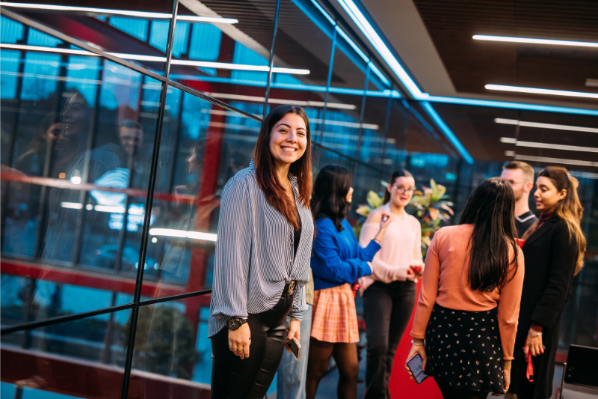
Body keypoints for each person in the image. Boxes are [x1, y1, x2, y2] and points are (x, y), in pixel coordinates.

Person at [209, 105, 314, 399]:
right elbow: (231, 259)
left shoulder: (297, 190)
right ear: (267, 135)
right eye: (284, 130)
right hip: (246, 316)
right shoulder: (244, 184)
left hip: (278, 319)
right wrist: (235, 321)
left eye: (301, 133)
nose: (292, 138)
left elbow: (300, 259)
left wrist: (295, 317)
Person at [406, 177, 525, 399]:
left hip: (442, 336)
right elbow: (508, 318)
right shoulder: (512, 251)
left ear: (474, 201)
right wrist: (507, 364)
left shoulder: (443, 235)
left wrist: (417, 341)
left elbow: (426, 298)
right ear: (508, 209)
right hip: (481, 342)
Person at [306, 165, 392, 399]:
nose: (352, 189)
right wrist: (365, 269)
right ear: (337, 189)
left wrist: (380, 233)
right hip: (326, 301)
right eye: (348, 185)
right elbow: (335, 270)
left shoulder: (341, 224)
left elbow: (358, 256)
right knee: (316, 371)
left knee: (351, 370)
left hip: (343, 301)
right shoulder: (322, 226)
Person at [508, 166, 586, 399]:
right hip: (525, 319)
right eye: (537, 188)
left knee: (530, 388)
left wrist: (536, 327)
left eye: (544, 189)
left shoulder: (564, 229)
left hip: (538, 327)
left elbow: (559, 286)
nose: (537, 194)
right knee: (517, 386)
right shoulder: (543, 223)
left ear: (562, 194)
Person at [358, 169, 423, 399]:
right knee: (378, 347)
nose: (405, 192)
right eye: (400, 187)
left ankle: (379, 395)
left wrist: (418, 267)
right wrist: (395, 270)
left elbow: (416, 255)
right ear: (390, 188)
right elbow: (367, 256)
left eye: (409, 189)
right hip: (378, 288)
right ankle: (376, 396)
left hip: (405, 288)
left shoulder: (414, 223)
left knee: (391, 350)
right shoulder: (378, 215)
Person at [276, 270, 314, 399]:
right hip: (268, 292)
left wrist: (296, 314)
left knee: (294, 377)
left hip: (301, 296)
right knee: (256, 378)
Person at [501, 161, 538, 237]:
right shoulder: (494, 219)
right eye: (502, 182)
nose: (504, 186)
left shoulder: (533, 227)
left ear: (528, 186)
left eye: (511, 182)